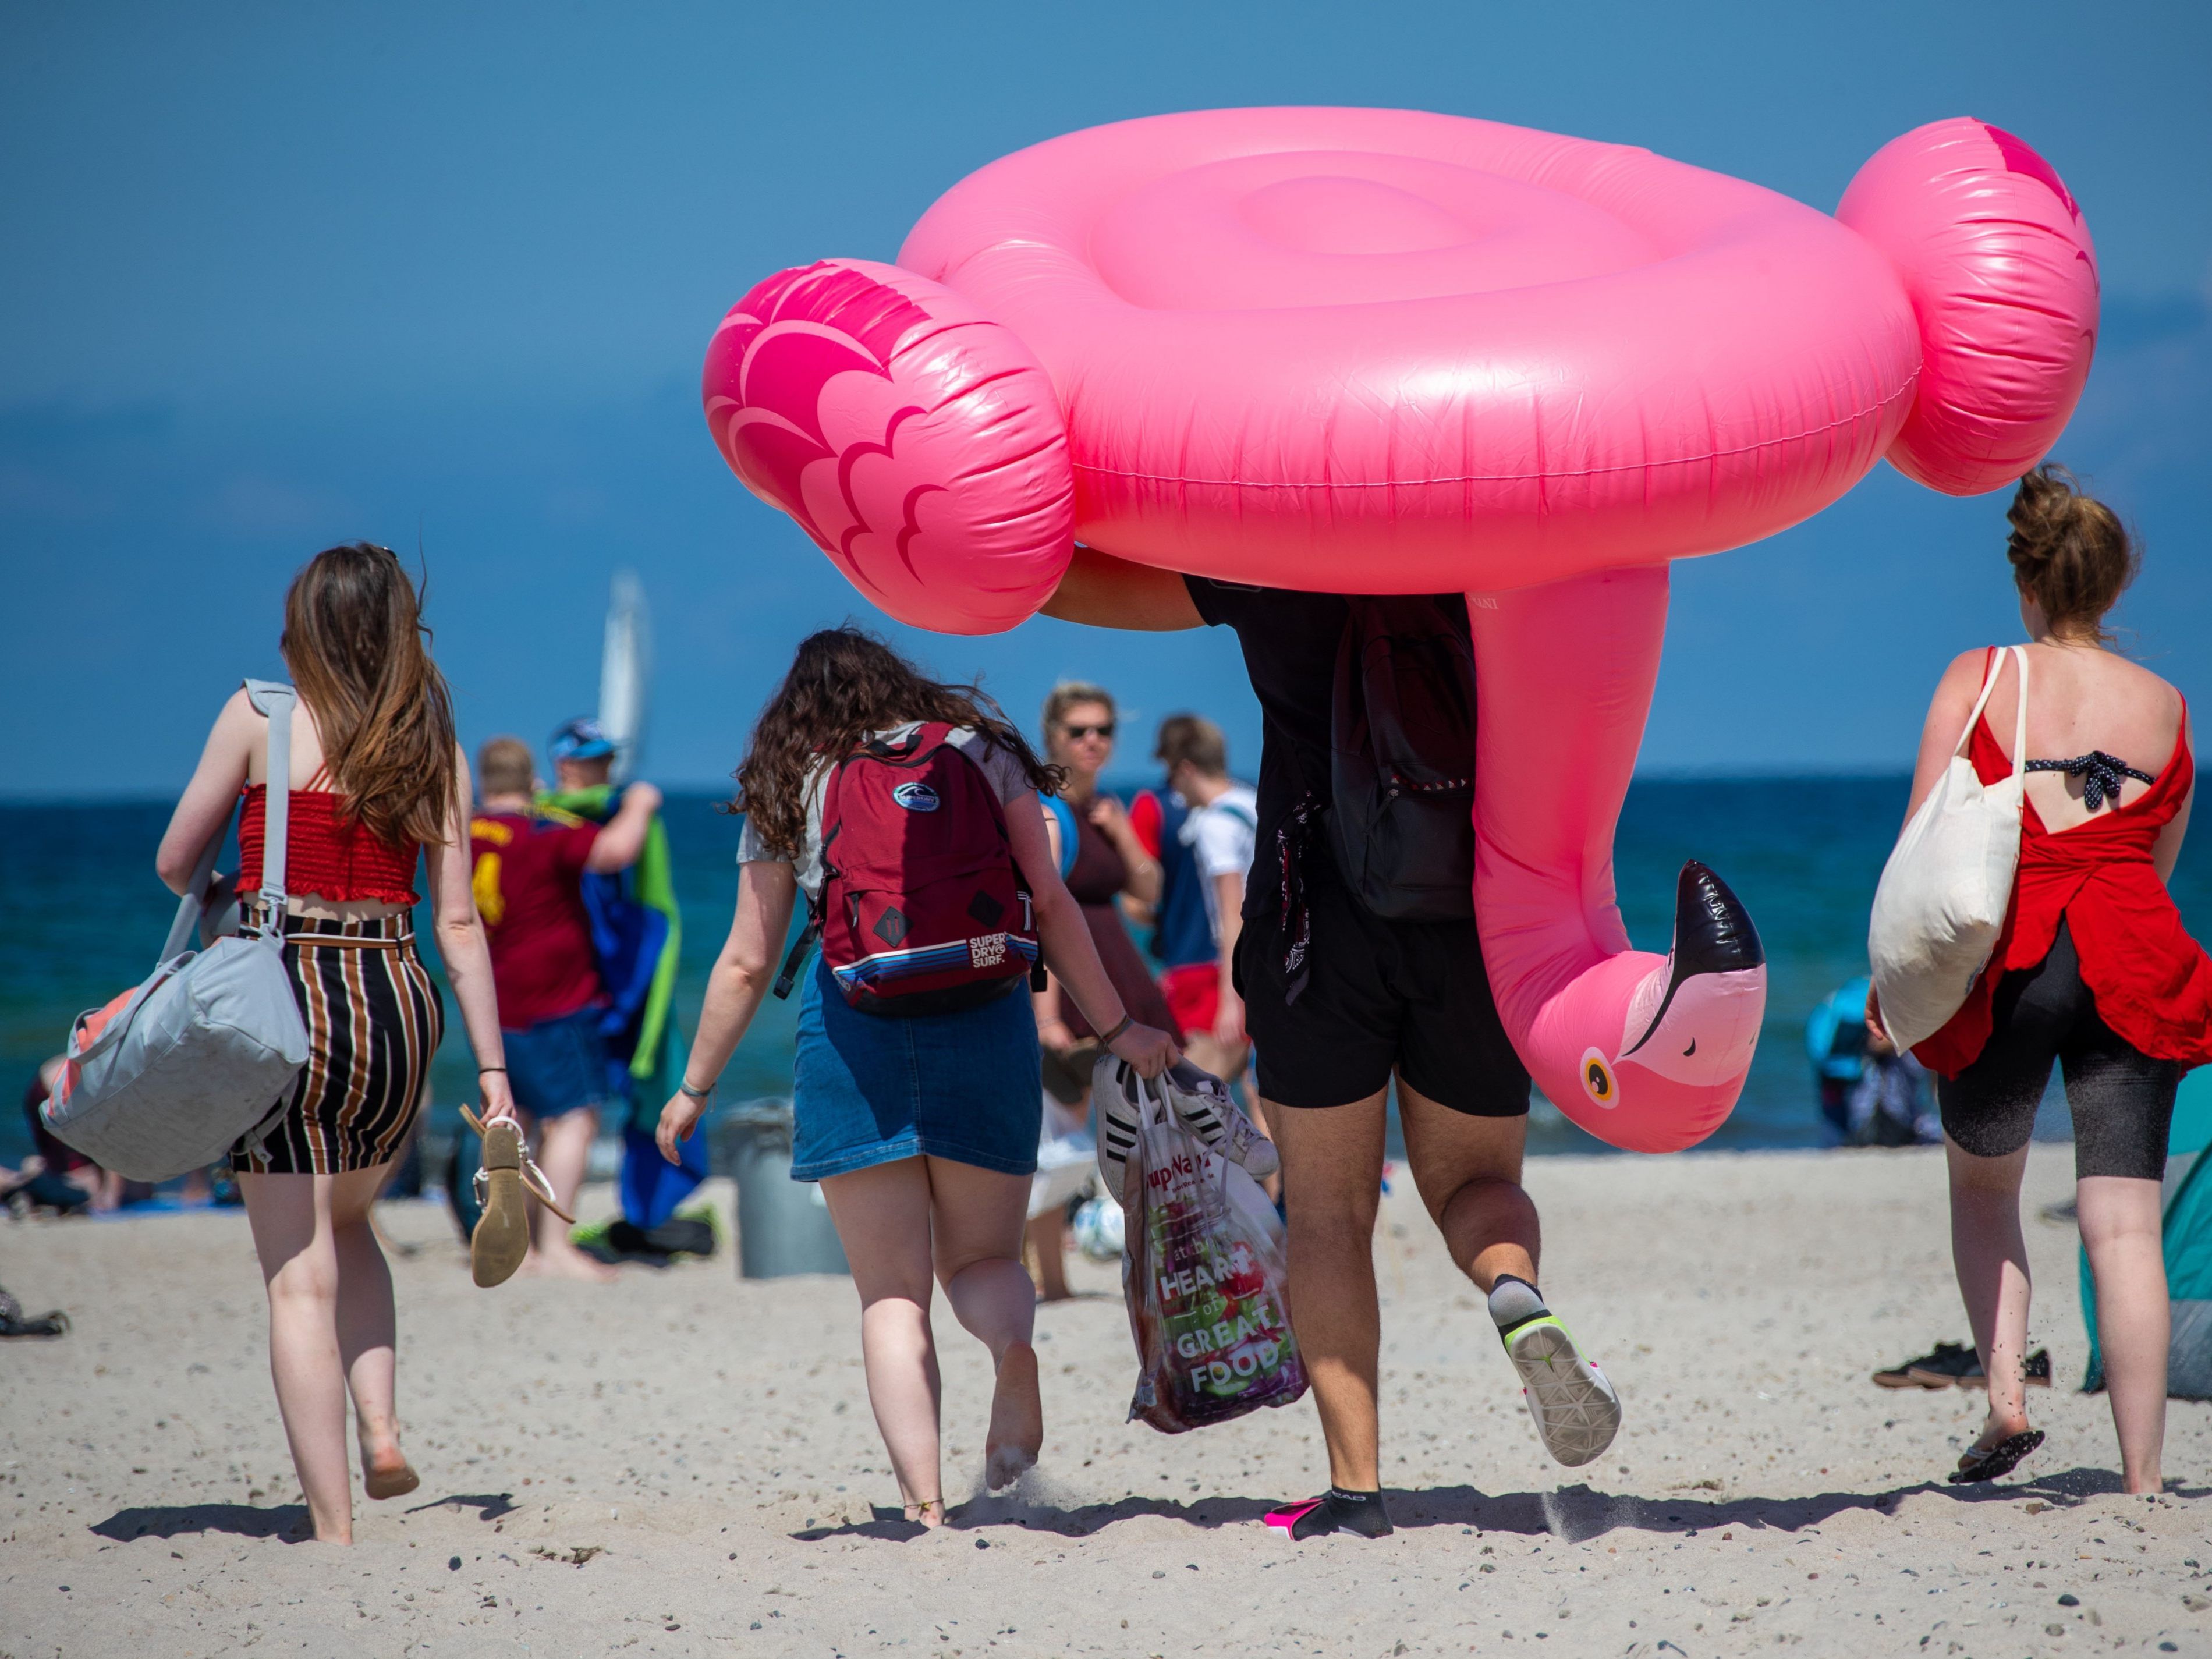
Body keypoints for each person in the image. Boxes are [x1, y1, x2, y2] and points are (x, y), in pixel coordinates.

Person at [1041, 551, 1619, 1540]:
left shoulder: (1281, 560)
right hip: (1470, 921)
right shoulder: (1503, 558)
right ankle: (1514, 1291)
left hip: (1314, 928)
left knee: (1327, 1214)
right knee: (1472, 1184)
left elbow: (1073, 587)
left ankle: (1358, 1489)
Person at [655, 628, 1178, 1527]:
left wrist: (695, 1086)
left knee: (892, 1294)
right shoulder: (982, 752)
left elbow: (746, 960)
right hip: (986, 1021)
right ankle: (1013, 1342)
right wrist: (1120, 1026)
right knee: (981, 1259)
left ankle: (925, 1505)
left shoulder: (794, 780)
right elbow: (1049, 904)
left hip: (854, 1034)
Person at [154, 542, 516, 1545]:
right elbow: (457, 925)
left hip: (287, 999)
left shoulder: (259, 717)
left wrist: (242, 884)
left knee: (295, 1275)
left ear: (303, 624)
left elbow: (176, 860)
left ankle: (334, 1526)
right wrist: (493, 1071)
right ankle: (383, 1428)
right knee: (350, 1220)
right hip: (396, 1002)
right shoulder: (430, 738)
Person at [1868, 465, 2211, 1494]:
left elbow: (1923, 851)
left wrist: (1889, 985)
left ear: (2029, 583)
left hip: (2010, 963)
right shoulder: (2165, 706)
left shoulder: (1981, 677)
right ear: (2112, 586)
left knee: (1985, 1190)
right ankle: (2144, 1476)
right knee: (2126, 1223)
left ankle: (2008, 1401)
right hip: (2131, 960)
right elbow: (2156, 863)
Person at [470, 732, 661, 1281]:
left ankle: (522, 1246)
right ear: (532, 783)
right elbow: (615, 852)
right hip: (558, 998)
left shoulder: (467, 833)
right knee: (574, 1120)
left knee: (516, 1120)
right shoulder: (542, 834)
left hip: (496, 1002)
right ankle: (555, 1245)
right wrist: (643, 803)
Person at [1133, 714, 1259, 1087]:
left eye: (1172, 777)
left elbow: (1231, 913)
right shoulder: (1252, 802)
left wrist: (1230, 1001)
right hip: (1273, 965)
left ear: (1186, 769)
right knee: (1265, 1097)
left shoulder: (1213, 824)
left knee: (1190, 1096)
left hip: (1233, 973)